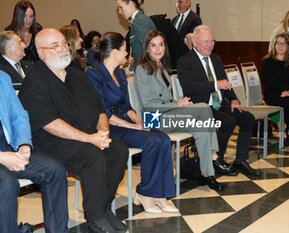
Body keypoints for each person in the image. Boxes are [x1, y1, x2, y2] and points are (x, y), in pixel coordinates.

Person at [19, 28, 129, 233]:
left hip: (85, 137)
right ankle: (95, 216)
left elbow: (99, 110)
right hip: (51, 142)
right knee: (93, 156)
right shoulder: (34, 81)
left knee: (118, 150)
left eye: (63, 43)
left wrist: (103, 133)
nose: (63, 49)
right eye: (55, 46)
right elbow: (50, 124)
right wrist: (90, 139)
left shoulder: (77, 75)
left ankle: (103, 207)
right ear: (42, 53)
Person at [87, 32, 179, 214]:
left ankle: (161, 194)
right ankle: (145, 192)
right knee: (152, 141)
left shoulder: (120, 74)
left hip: (126, 121)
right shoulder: (94, 75)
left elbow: (127, 106)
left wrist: (140, 122)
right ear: (114, 52)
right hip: (109, 126)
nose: (127, 54)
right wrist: (132, 126)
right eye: (124, 50)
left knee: (163, 139)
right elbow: (103, 112)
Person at [134, 30, 226, 191]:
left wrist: (178, 103)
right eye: (153, 45)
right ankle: (213, 155)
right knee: (204, 108)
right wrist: (178, 105)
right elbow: (148, 105)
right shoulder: (142, 69)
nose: (158, 49)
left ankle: (207, 174)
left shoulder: (162, 65)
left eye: (161, 45)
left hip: (169, 114)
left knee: (202, 127)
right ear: (147, 48)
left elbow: (167, 99)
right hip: (153, 118)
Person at [177, 25, 261, 177]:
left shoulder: (215, 59)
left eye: (212, 41)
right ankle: (217, 160)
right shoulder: (185, 61)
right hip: (202, 107)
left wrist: (234, 100)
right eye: (206, 41)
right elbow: (189, 87)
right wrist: (215, 85)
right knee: (227, 121)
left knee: (248, 118)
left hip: (220, 104)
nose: (210, 45)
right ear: (195, 42)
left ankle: (240, 160)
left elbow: (226, 84)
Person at [0, 70, 69, 233]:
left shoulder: (2, 78)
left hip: (8, 147)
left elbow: (19, 116)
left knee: (55, 170)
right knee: (7, 183)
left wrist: (24, 144)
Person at [116, 0, 156, 69]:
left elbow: (150, 50)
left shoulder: (139, 21)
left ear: (131, 4)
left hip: (146, 70)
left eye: (121, 7)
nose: (119, 12)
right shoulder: (140, 20)